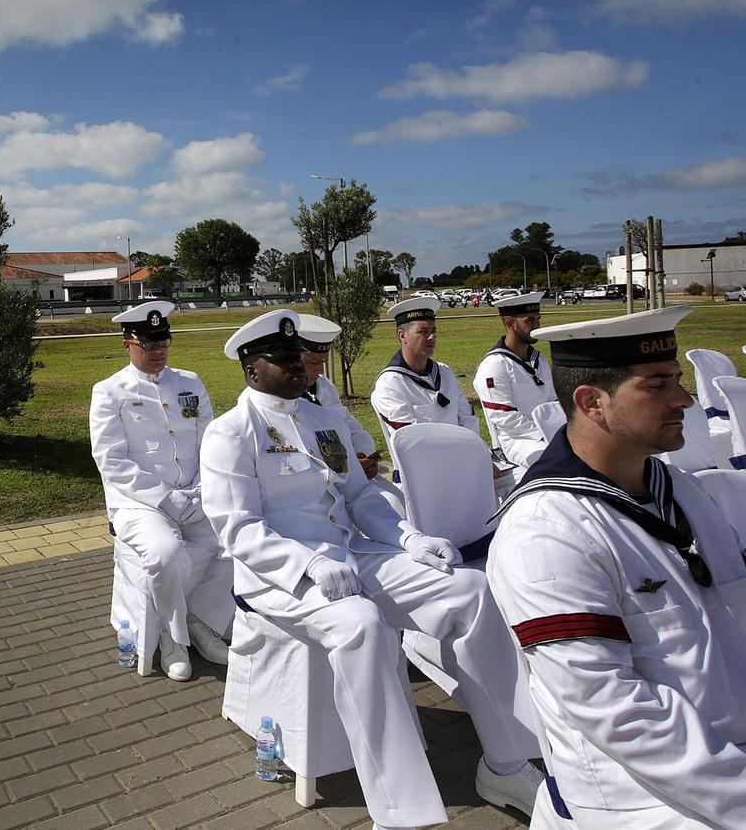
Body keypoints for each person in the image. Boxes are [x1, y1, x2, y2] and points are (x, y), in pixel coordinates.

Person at [486, 306, 746, 830]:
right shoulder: (545, 531)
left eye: (680, 380)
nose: (685, 399)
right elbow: (617, 712)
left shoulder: (683, 492)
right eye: (658, 384)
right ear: (591, 402)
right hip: (648, 800)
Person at [203, 309, 544, 830]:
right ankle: (402, 810)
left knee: (471, 591)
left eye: (300, 357)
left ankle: (507, 760)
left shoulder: (322, 418)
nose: (300, 366)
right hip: (283, 577)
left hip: (351, 553)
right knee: (361, 625)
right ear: (252, 369)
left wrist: (410, 538)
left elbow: (361, 497)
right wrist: (308, 563)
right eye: (284, 359)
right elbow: (239, 529)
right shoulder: (231, 432)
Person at [90, 300, 231, 681]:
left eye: (163, 342)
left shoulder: (190, 382)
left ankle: (202, 621)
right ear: (127, 344)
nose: (158, 352)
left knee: (236, 540)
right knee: (166, 553)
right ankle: (173, 636)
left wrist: (202, 489)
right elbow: (111, 459)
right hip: (139, 504)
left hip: (195, 494)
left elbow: (210, 443)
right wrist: (164, 498)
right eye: (148, 344)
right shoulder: (110, 391)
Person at [370, 297, 477, 465]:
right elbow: (411, 439)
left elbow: (467, 418)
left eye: (434, 330)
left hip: (462, 460)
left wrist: (473, 455)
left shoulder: (445, 372)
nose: (432, 337)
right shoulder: (391, 383)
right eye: (423, 331)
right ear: (402, 335)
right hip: (422, 474)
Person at [473, 291, 558, 482]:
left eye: (538, 319)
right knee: (557, 462)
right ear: (510, 324)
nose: (536, 326)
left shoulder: (539, 359)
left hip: (546, 436)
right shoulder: (494, 365)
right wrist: (544, 436)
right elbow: (504, 417)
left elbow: (553, 402)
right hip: (515, 441)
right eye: (530, 321)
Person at [297, 313, 381, 478]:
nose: (320, 371)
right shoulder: (281, 398)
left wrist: (364, 454)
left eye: (323, 362)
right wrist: (351, 465)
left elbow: (350, 425)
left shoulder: (324, 386)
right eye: (313, 363)